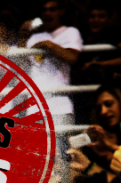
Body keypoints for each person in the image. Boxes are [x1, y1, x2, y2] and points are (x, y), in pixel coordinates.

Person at [26, 0, 83, 132]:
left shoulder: (70, 32)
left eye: (52, 9)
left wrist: (48, 45)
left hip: (60, 105)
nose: (48, 13)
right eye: (44, 10)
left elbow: (72, 58)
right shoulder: (34, 37)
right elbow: (23, 66)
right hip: (34, 107)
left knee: (62, 145)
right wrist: (23, 37)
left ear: (61, 11)